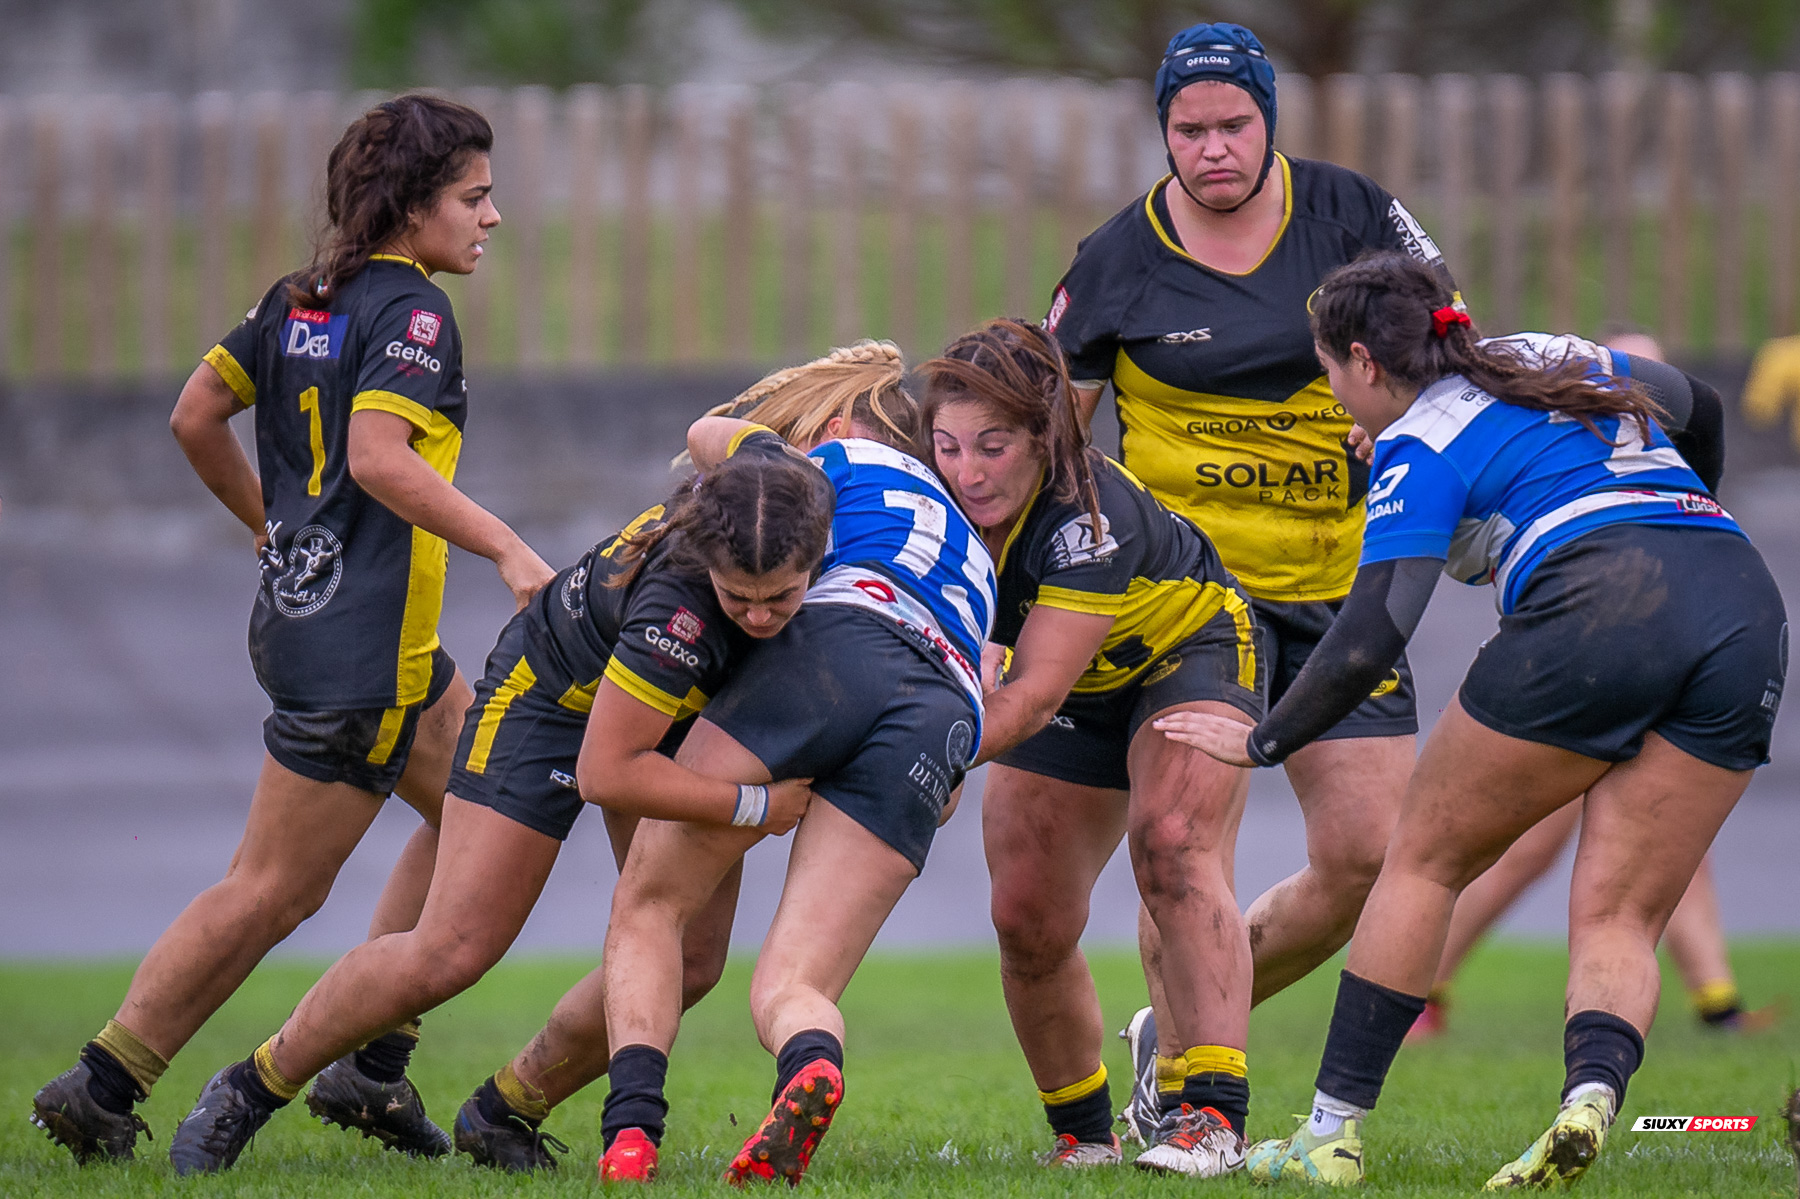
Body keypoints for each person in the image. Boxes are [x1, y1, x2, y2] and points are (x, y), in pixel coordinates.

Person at [1159, 251, 1785, 1188]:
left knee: (1421, 859)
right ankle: (1590, 1099)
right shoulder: (1542, 350)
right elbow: (1700, 403)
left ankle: (1329, 1136)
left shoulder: (1420, 441)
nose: (1333, 399)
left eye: (1330, 375)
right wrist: (1681, 511)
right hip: (1743, 602)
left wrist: (1263, 737)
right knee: (1621, 910)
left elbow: (1369, 636)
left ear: (1366, 361)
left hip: (1599, 600)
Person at [29, 94, 556, 1166]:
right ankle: (104, 1080)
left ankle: (370, 1066)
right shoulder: (412, 313)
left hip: (360, 642)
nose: (492, 216)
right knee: (275, 886)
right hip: (360, 655)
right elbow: (376, 458)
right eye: (474, 195)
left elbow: (193, 413)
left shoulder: (297, 298)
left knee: (483, 821)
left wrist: (278, 530)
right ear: (412, 208)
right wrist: (507, 546)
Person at [159, 438, 832, 1175]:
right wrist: (750, 804)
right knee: (452, 948)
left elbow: (715, 431)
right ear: (708, 562)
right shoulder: (679, 611)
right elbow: (607, 770)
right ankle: (251, 1084)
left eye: (782, 598)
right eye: (741, 596)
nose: (762, 616)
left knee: (691, 958)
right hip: (548, 703)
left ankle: (505, 1109)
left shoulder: (790, 491)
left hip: (656, 713)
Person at [1040, 22, 1461, 1142]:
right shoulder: (1115, 258)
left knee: (1372, 857)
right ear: (1163, 130)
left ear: (1269, 120)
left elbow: (1446, 355)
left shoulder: (1355, 217)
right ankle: (1193, 1092)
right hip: (1187, 604)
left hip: (1339, 586)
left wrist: (1411, 431)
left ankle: (1169, 1040)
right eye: (1190, 129)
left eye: (1234, 125)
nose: (1213, 148)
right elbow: (1053, 444)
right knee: (1183, 850)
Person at [474, 341, 995, 1186]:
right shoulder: (973, 552)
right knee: (790, 981)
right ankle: (808, 1061)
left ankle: (633, 1132)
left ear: (841, 427)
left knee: (651, 904)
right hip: (944, 712)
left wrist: (765, 449)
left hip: (838, 652)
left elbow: (709, 433)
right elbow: (955, 759)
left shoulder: (824, 472)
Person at [922, 318, 1264, 1176]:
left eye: (993, 447)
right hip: (1075, 686)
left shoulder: (1084, 519)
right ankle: (1086, 1137)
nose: (967, 473)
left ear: (1044, 433)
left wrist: (921, 752)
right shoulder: (927, 489)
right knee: (1025, 913)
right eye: (949, 446)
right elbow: (717, 435)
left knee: (1173, 847)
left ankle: (1213, 1121)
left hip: (1185, 652)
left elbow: (1032, 693)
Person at [1407, 330, 1777, 1041]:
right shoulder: (1572, 445)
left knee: (1658, 853)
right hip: (1587, 657)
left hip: (1651, 643)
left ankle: (1716, 1002)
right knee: (1527, 853)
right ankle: (1422, 988)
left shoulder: (1649, 464)